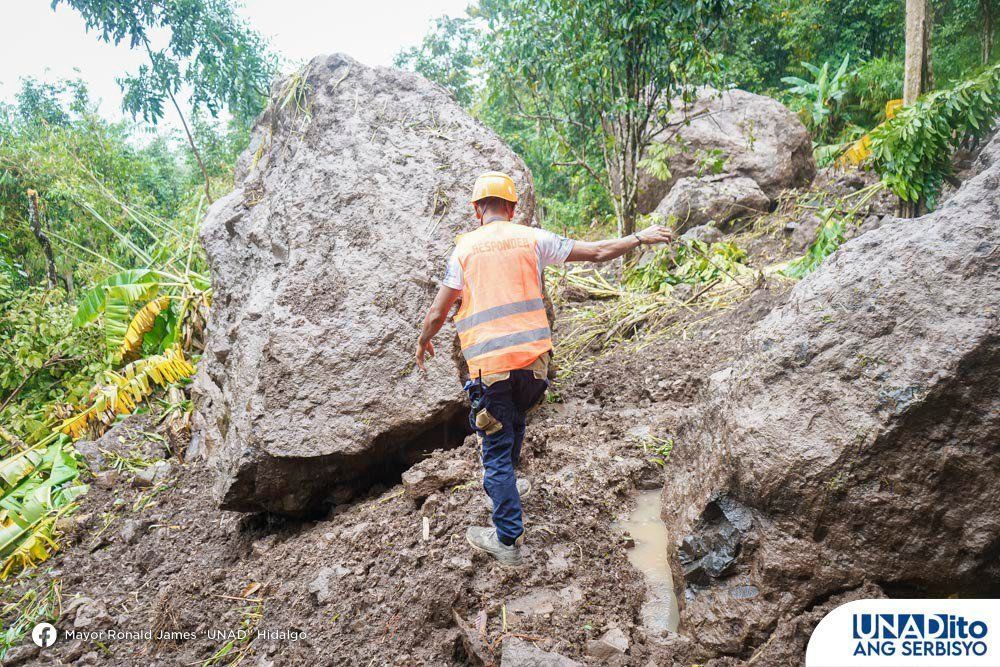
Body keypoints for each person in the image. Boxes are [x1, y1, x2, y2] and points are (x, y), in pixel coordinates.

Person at [415, 172, 674, 566]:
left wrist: (423, 341)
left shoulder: (463, 251)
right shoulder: (533, 239)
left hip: (492, 370)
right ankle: (509, 490)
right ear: (512, 208)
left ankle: (507, 540)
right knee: (514, 421)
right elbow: (598, 252)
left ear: (477, 210)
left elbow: (438, 312)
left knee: (495, 451)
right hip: (535, 368)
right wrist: (640, 237)